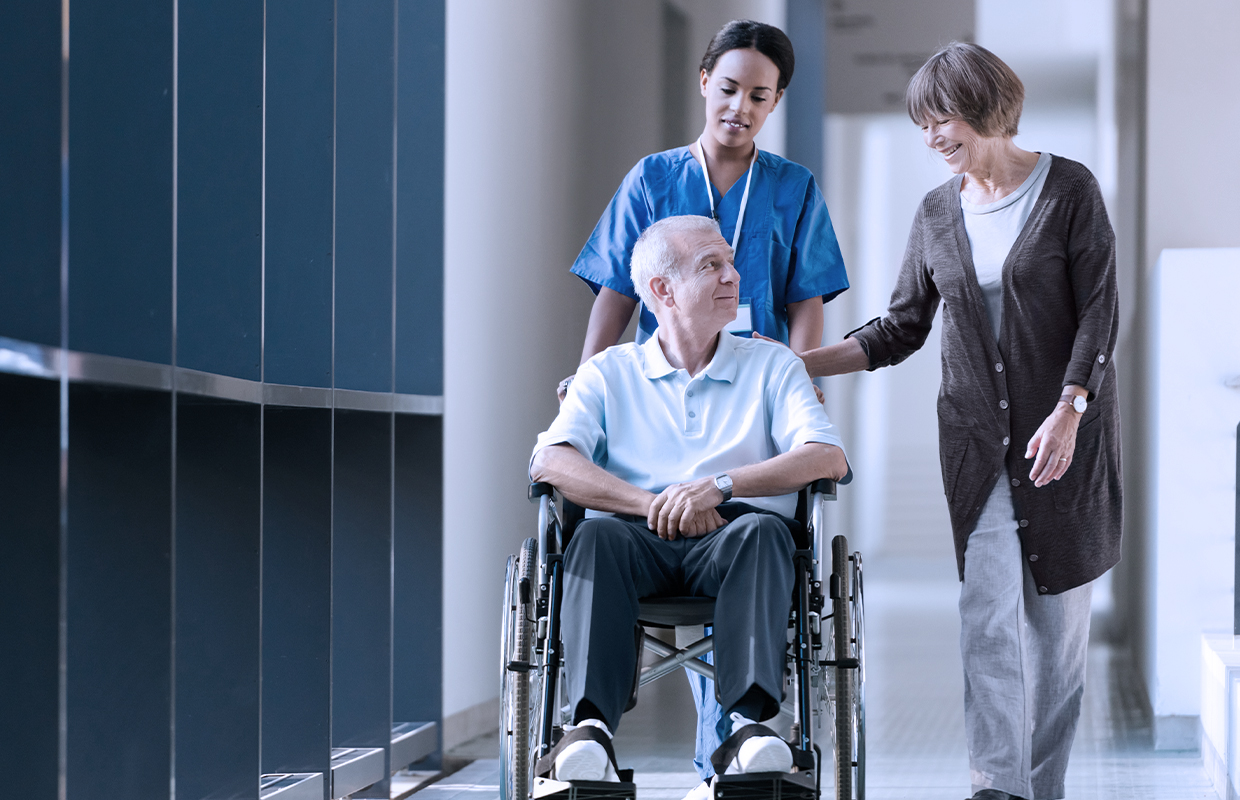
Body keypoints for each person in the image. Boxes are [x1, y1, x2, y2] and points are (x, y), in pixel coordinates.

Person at [783, 43, 1121, 800]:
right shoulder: (937, 211)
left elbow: (1101, 314)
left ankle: (1045, 785)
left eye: (945, 117)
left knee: (1057, 638)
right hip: (977, 444)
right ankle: (997, 786)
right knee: (986, 616)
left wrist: (1071, 408)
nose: (934, 134)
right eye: (923, 123)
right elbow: (901, 325)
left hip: (1065, 440)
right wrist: (797, 363)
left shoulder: (1068, 190)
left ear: (988, 108)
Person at [558, 20, 849, 780]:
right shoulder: (653, 179)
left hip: (747, 388)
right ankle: (601, 733)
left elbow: (806, 295)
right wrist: (590, 376)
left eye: (759, 96)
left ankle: (739, 743)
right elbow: (619, 291)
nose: (740, 107)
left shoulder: (791, 189)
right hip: (660, 409)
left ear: (776, 101)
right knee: (607, 538)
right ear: (703, 82)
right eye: (729, 89)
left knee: (750, 539)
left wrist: (799, 374)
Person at [530, 216, 849, 787]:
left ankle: (750, 726)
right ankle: (589, 734)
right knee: (592, 537)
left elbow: (827, 457)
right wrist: (649, 502)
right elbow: (551, 462)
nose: (735, 276)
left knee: (764, 533)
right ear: (662, 290)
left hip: (735, 536)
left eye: (729, 261)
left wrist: (721, 487)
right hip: (631, 536)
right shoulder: (607, 373)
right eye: (712, 266)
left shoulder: (773, 365)